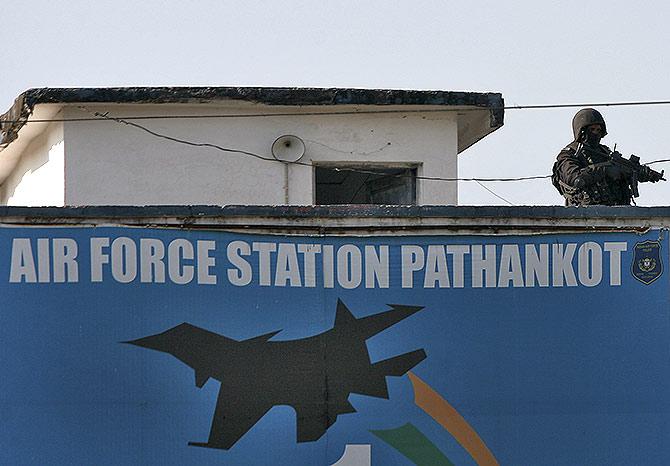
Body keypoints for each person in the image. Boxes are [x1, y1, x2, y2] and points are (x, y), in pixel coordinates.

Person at [552, 108, 663, 206]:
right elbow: (576, 180)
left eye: (598, 130)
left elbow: (623, 169)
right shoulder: (569, 154)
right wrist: (605, 170)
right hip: (585, 213)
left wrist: (642, 174)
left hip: (618, 212)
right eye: (592, 129)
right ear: (582, 131)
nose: (596, 133)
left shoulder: (605, 152)